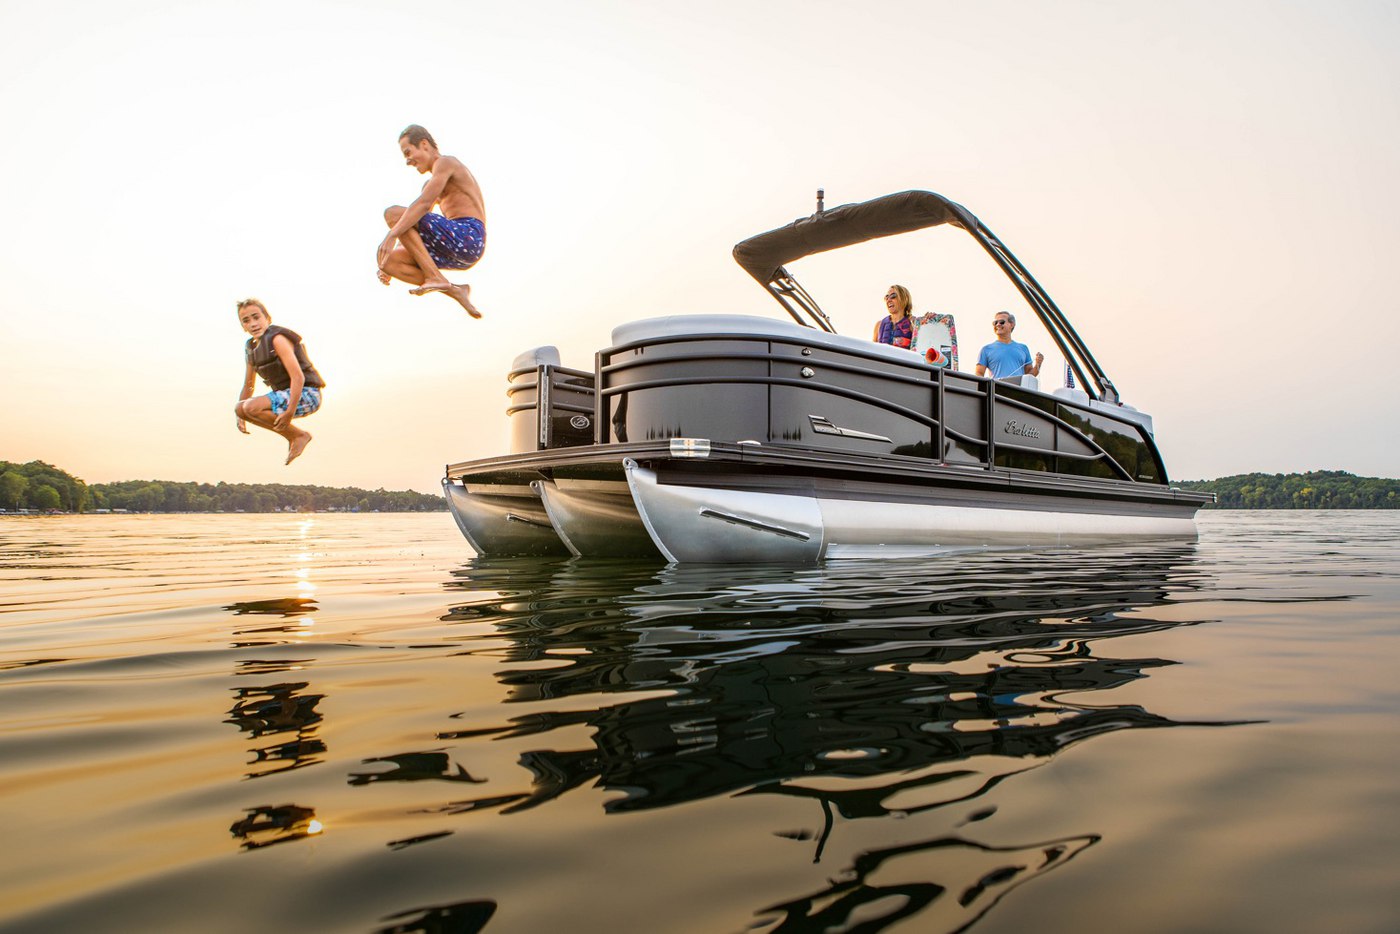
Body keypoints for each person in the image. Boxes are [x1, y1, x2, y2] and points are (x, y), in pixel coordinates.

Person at [377, 124, 486, 319]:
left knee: (393, 214)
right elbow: (413, 223)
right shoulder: (431, 183)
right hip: (456, 251)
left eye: (408, 152)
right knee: (389, 261)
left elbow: (422, 204)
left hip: (468, 235)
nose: (408, 161)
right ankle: (454, 290)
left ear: (424, 144)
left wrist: (391, 235)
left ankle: (435, 277)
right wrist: (393, 255)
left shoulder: (446, 163)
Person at [234, 298, 325, 465]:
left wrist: (289, 412)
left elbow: (298, 377)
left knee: (250, 407)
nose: (253, 324)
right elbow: (249, 384)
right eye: (246, 321)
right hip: (284, 394)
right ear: (242, 326)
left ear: (267, 319)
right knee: (240, 408)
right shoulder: (250, 349)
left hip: (307, 394)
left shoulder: (277, 339)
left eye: (256, 317)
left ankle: (299, 435)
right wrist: (241, 416)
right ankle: (294, 436)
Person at [976, 310, 1043, 380]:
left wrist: (1038, 364)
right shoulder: (986, 349)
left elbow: (1030, 376)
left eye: (1002, 322)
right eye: (995, 322)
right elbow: (979, 373)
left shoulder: (1023, 348)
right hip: (996, 390)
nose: (998, 324)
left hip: (1018, 390)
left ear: (1012, 324)